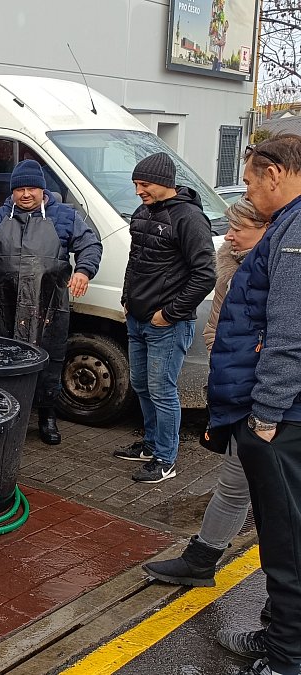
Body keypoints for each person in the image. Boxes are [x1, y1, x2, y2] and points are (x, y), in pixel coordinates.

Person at [207, 133, 301, 675]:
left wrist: (265, 414)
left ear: (274, 174)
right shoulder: (287, 225)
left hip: (283, 418)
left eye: (248, 181)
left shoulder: (295, 233)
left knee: (287, 543)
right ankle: (278, 634)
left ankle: (287, 658)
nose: (246, 192)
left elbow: (289, 332)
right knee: (281, 535)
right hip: (283, 413)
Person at [142, 198, 268, 588]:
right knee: (234, 483)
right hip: (241, 394)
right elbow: (216, 326)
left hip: (269, 401)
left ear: (267, 230)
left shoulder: (281, 273)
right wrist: (222, 360)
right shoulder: (230, 266)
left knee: (265, 492)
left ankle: (279, 597)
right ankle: (201, 560)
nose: (228, 236)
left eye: (239, 228)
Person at [0, 159, 102, 444]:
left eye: (31, 189)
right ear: (12, 192)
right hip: (4, 306)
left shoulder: (65, 216)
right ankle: (4, 411)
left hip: (47, 306)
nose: (26, 194)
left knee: (49, 360)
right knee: (3, 358)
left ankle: (47, 416)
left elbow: (91, 245)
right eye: (19, 189)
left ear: (42, 190)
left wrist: (84, 271)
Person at [115, 152, 216, 483]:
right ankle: (150, 445)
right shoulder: (142, 213)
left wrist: (169, 314)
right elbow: (135, 260)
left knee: (162, 389)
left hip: (167, 325)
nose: (138, 191)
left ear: (164, 182)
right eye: (135, 184)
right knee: (141, 384)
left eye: (144, 184)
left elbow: (205, 274)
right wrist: (127, 298)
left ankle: (165, 460)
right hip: (137, 317)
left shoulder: (189, 218)